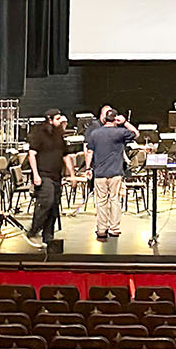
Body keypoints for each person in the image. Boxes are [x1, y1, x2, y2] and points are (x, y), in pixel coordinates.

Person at [83, 104, 137, 241]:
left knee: (101, 202)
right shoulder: (120, 132)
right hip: (116, 173)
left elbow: (89, 152)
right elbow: (136, 133)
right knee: (115, 200)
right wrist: (125, 122)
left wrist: (88, 168)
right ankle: (115, 229)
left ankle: (101, 229)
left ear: (104, 119)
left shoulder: (95, 133)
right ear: (115, 119)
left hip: (99, 173)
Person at [24, 108, 70, 246]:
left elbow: (65, 155)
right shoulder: (40, 134)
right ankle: (34, 228)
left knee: (54, 206)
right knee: (47, 201)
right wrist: (35, 175)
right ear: (50, 120)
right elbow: (32, 154)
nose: (60, 121)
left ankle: (48, 235)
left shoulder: (59, 135)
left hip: (57, 175)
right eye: (57, 119)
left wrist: (72, 174)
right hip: (44, 175)